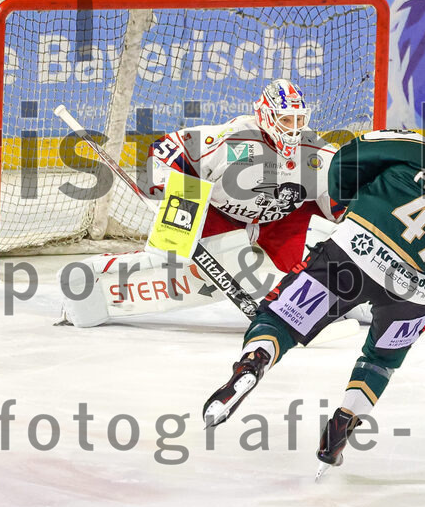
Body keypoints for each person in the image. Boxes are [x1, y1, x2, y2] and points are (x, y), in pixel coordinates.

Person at [201, 113, 425, 474]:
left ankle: (253, 363)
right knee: (381, 361)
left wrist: (346, 205)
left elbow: (348, 157)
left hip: (357, 251)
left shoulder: (417, 146)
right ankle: (343, 424)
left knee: (281, 319)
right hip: (418, 291)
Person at [60, 78, 340, 327]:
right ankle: (93, 276)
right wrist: (174, 203)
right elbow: (165, 150)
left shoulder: (318, 152)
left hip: (281, 221)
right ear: (265, 116)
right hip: (221, 215)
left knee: (326, 263)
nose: (294, 128)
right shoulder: (233, 140)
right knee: (175, 260)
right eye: (285, 119)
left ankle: (350, 301)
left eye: (299, 119)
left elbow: (340, 202)